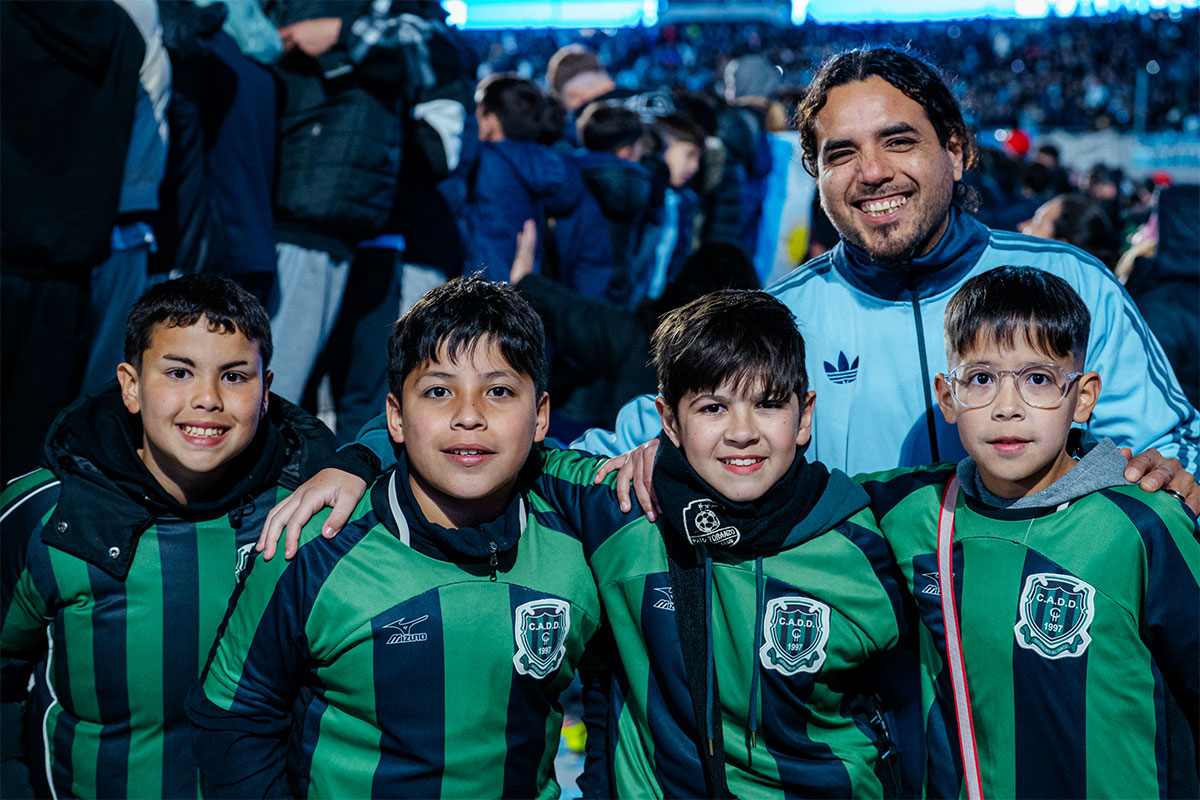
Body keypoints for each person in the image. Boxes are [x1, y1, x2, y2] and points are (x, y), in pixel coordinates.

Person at [580, 46, 1199, 504]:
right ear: (816, 178)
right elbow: (623, 442)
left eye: (897, 141)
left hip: (1026, 648)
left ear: (954, 151)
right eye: (840, 153)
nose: (872, 172)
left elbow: (1166, 445)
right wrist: (651, 453)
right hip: (849, 656)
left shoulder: (1073, 282)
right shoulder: (782, 315)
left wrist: (1173, 473)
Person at [187, 277, 604, 798]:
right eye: (438, 391)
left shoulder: (582, 540)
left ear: (541, 416)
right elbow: (233, 720)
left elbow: (621, 694)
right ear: (395, 418)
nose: (469, 416)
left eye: (499, 391)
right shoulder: (314, 545)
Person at [861, 266, 1198, 797]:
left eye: (1038, 378)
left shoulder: (1144, 523)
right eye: (980, 378)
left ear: (1084, 398)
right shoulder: (912, 511)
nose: (1007, 406)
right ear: (948, 397)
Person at [0, 275, 333, 798]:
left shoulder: (309, 512)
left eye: (235, 376)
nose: (206, 399)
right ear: (131, 386)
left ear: (267, 391)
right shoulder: (45, 514)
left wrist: (356, 463)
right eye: (179, 372)